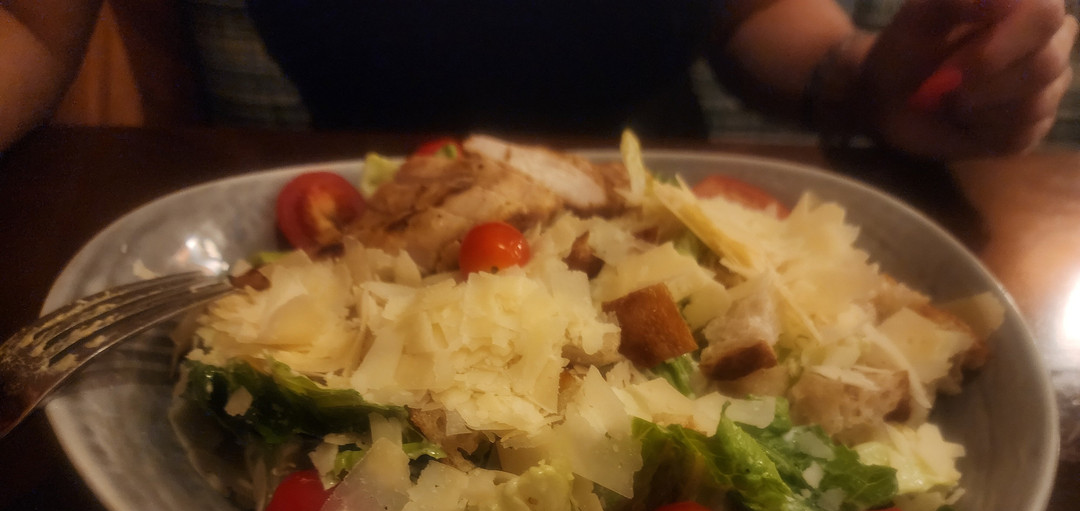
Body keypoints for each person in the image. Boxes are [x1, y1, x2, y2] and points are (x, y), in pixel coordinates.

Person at [1, 0, 1076, 159]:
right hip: (345, 226)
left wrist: (868, 79)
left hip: (647, 195)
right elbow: (31, 32)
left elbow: (753, 17)